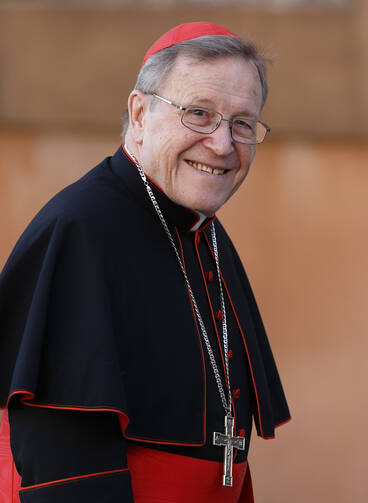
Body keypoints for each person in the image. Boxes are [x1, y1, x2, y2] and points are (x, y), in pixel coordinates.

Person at [0, 21, 290, 503]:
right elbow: (65, 463)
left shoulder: (205, 235)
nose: (223, 144)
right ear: (140, 113)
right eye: (199, 113)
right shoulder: (82, 230)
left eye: (242, 123)